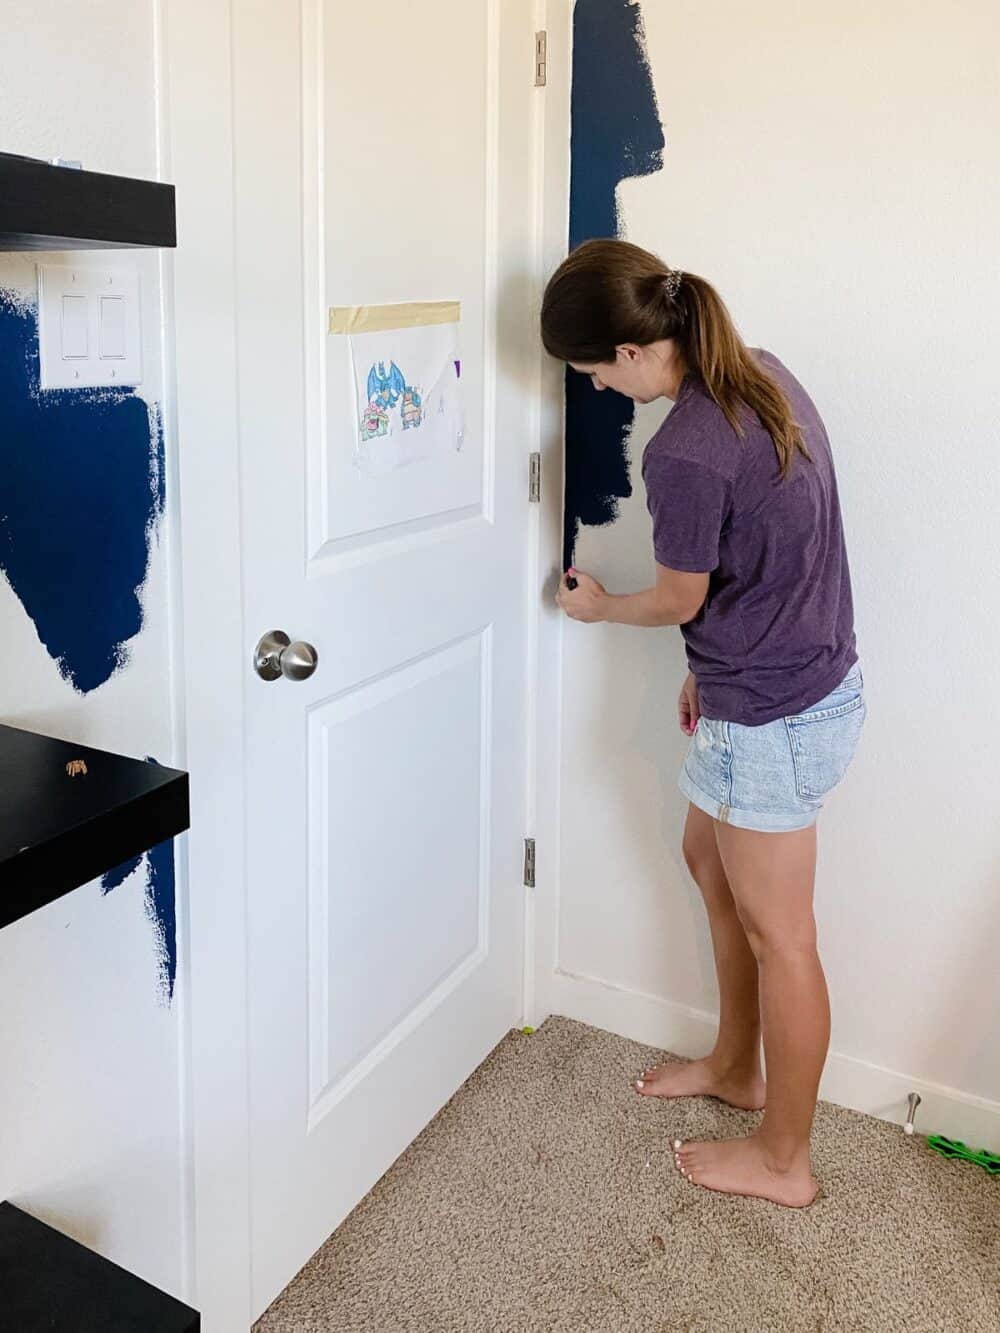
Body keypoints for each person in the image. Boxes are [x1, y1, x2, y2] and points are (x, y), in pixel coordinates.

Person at [541, 238, 865, 1209]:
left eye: (595, 369)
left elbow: (681, 595)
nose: (598, 388)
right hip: (785, 683)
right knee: (706, 861)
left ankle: (783, 1159)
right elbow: (762, 555)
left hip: (772, 714)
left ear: (635, 351)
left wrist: (599, 606)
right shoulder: (760, 371)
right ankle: (735, 1063)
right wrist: (706, 668)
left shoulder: (681, 448)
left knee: (784, 938)